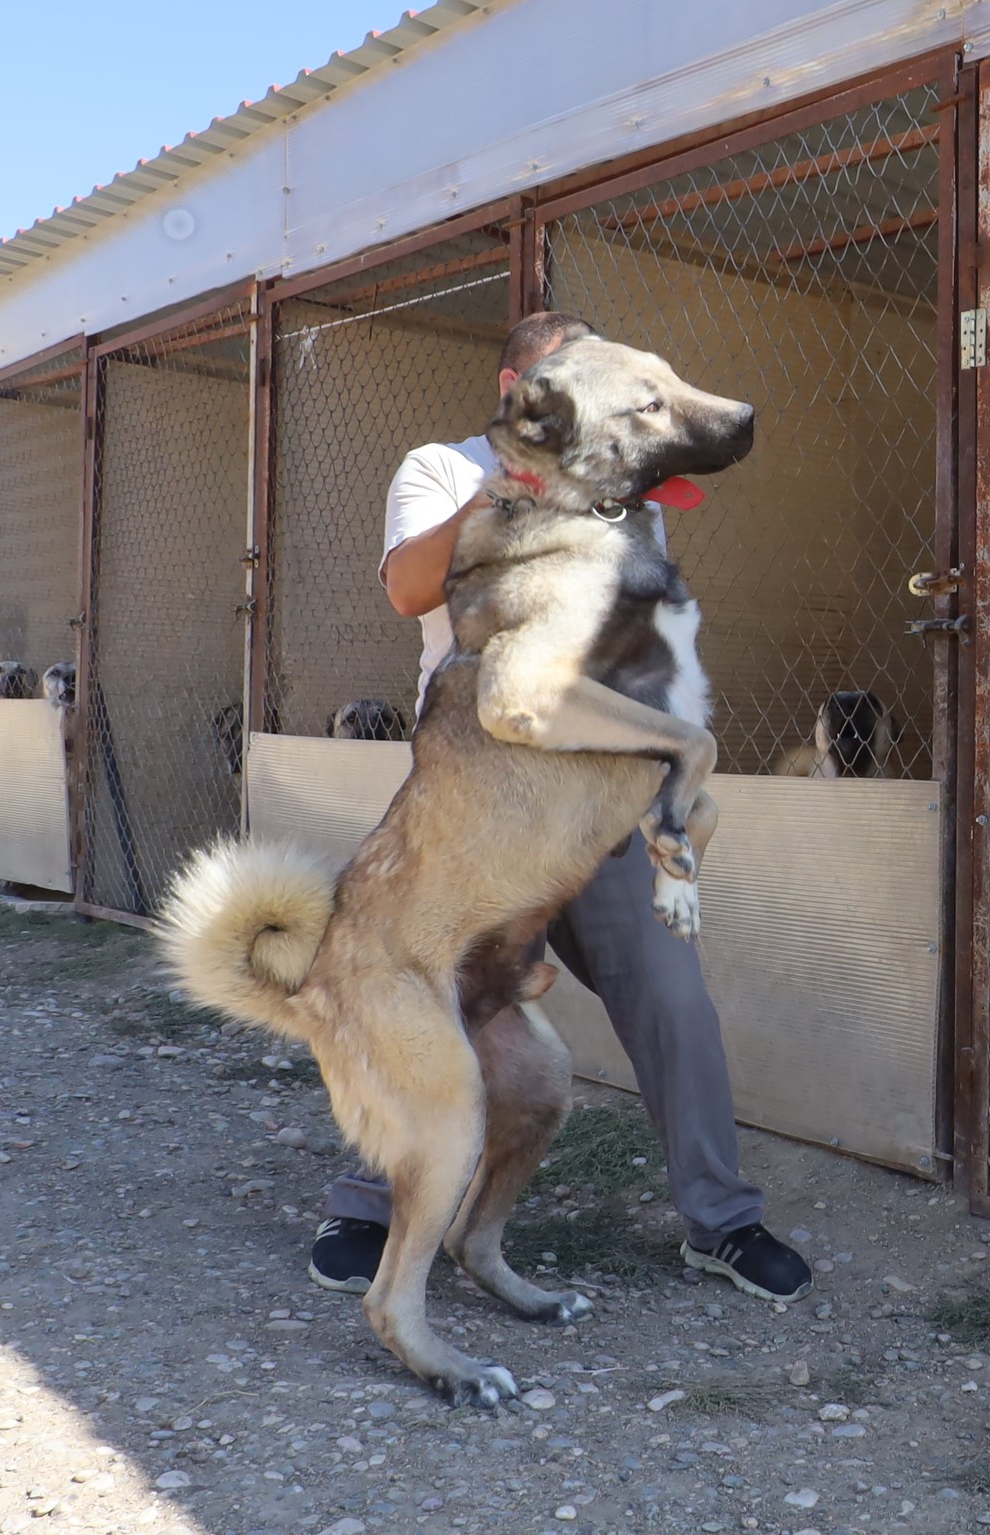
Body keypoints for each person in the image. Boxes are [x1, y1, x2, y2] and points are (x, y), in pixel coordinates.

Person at [306, 310, 811, 1305]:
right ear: (514, 390)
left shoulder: (621, 482)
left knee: (674, 1002)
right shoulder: (445, 466)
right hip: (486, 808)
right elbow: (412, 587)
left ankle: (722, 1223)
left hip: (599, 805)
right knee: (435, 997)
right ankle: (372, 1210)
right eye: (556, 380)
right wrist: (506, 483)